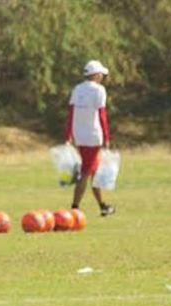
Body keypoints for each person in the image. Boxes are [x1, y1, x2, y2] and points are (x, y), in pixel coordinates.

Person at [65, 59, 115, 217]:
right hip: (93, 136)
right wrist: (107, 137)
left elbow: (71, 114)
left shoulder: (77, 89)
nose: (102, 77)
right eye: (101, 74)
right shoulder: (99, 90)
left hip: (79, 135)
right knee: (87, 172)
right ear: (96, 75)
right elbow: (102, 115)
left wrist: (68, 135)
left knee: (94, 172)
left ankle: (103, 206)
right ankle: (74, 207)